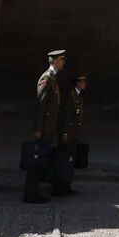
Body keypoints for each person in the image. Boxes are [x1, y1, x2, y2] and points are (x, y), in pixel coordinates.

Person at [26, 48, 66, 204]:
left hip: (48, 129)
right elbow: (40, 105)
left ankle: (35, 191)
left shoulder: (54, 79)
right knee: (36, 160)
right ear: (55, 61)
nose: (63, 63)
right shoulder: (47, 78)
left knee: (41, 160)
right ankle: (31, 193)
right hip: (43, 129)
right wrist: (37, 128)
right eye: (62, 60)